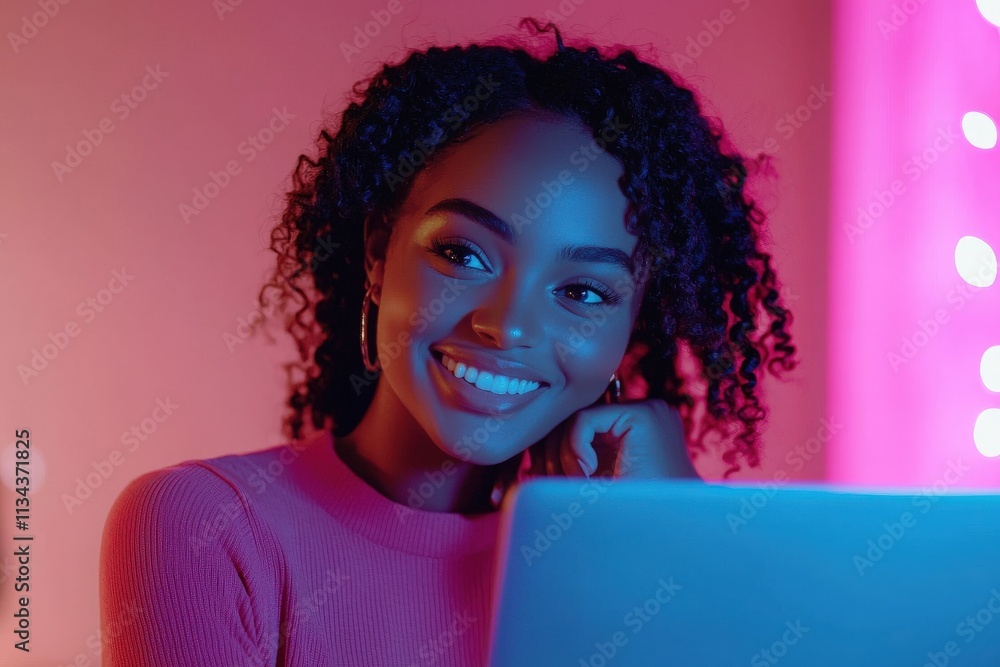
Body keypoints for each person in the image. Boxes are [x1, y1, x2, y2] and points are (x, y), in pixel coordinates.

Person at [99, 18, 797, 666]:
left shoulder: (623, 563)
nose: (508, 325)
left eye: (584, 292)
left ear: (631, 327)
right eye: (463, 254)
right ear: (379, 252)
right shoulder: (206, 527)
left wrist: (680, 528)